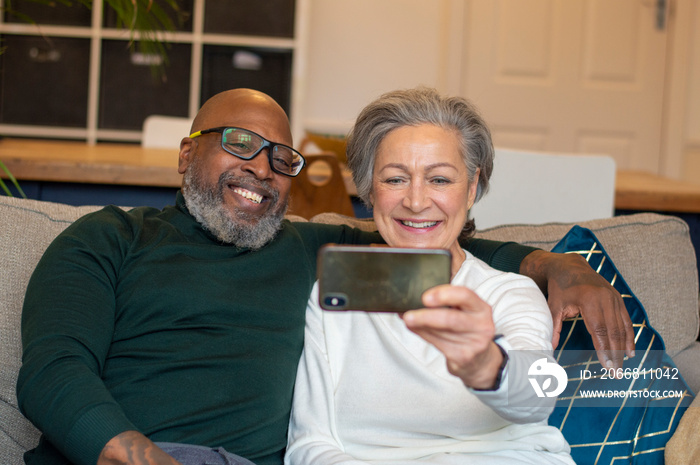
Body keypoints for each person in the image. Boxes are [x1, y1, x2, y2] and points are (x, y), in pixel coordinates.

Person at [17, 88, 630, 465]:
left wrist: (554, 268)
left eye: (281, 157)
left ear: (473, 188)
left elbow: (434, 246)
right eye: (239, 143)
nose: (262, 170)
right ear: (186, 153)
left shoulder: (317, 252)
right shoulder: (111, 238)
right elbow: (54, 372)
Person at [285, 87, 576, 464]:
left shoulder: (509, 293)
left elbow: (538, 396)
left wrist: (487, 364)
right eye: (394, 179)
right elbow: (310, 447)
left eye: (439, 180)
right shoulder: (335, 294)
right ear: (368, 189)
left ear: (471, 188)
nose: (417, 201)